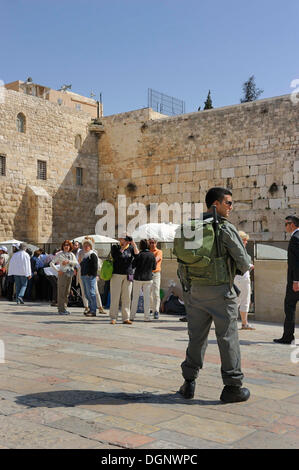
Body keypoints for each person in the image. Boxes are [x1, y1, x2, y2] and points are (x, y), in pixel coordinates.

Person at [178, 187, 252, 403]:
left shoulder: (192, 227)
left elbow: (184, 262)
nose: (231, 207)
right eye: (227, 203)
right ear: (215, 205)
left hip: (196, 293)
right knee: (228, 338)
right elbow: (244, 262)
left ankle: (189, 382)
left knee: (196, 338)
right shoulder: (225, 229)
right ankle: (232, 387)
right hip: (221, 293)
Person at [274, 215, 299, 344]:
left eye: (286, 224)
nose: (285, 227)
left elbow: (296, 262)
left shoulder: (295, 238)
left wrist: (296, 281)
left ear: (292, 224)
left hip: (296, 282)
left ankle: (288, 336)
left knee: (289, 307)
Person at [109, 234, 139, 325]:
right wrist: (122, 247)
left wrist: (133, 244)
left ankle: (126, 318)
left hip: (128, 275)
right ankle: (113, 317)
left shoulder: (131, 248)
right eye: (123, 238)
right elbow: (116, 257)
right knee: (115, 297)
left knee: (127, 297)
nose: (125, 240)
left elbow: (137, 256)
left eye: (126, 239)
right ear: (120, 239)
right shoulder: (115, 247)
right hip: (117, 274)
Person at [130, 239, 156, 322]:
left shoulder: (139, 255)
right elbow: (154, 268)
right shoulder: (152, 255)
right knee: (147, 298)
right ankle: (146, 317)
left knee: (135, 298)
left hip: (138, 278)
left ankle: (132, 317)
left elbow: (133, 265)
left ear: (141, 246)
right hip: (148, 278)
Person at [50, 240, 78, 315]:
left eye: (68, 245)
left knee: (67, 292)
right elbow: (51, 263)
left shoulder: (71, 254)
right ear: (63, 246)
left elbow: (76, 263)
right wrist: (57, 270)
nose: (66, 246)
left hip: (70, 273)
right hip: (63, 273)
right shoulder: (59, 254)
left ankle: (64, 308)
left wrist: (68, 262)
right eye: (65, 245)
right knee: (61, 291)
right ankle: (61, 309)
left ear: (70, 247)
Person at [234, 231, 255, 330]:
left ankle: (233, 321)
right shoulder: (240, 251)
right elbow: (244, 264)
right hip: (242, 277)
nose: (246, 242)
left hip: (234, 277)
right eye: (245, 240)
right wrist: (250, 266)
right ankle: (244, 323)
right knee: (244, 299)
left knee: (235, 300)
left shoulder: (232, 249)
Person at [79, 238, 99, 317]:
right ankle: (90, 308)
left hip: (90, 277)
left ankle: (93, 310)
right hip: (84, 276)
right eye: (84, 246)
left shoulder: (92, 254)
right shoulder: (85, 255)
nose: (86, 247)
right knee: (87, 294)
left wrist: (91, 274)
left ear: (90, 247)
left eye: (87, 246)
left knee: (91, 293)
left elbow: (95, 266)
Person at [149, 238, 163, 319]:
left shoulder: (159, 251)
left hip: (156, 273)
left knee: (156, 292)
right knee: (148, 293)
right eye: (150, 242)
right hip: (147, 274)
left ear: (156, 243)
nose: (152, 244)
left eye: (153, 242)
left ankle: (156, 310)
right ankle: (151, 308)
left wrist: (146, 259)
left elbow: (156, 260)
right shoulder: (148, 251)